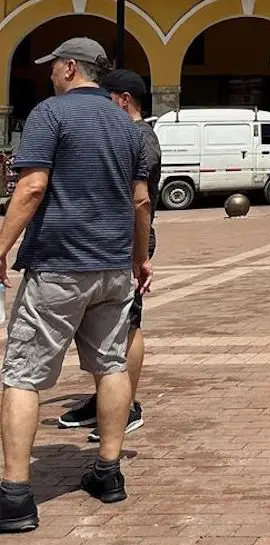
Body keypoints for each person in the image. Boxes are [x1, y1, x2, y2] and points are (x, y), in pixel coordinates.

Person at [0, 38, 152, 534]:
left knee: (23, 373)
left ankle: (16, 495)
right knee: (110, 366)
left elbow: (32, 186)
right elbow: (140, 200)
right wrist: (138, 259)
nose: (49, 76)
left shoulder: (50, 114)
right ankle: (109, 473)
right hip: (111, 266)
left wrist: (0, 246)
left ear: (69, 67)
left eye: (53, 68)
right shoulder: (126, 124)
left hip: (59, 264)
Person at [57, 70, 160, 440]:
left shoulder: (140, 137)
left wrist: (139, 250)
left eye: (107, 98)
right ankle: (106, 398)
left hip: (131, 239)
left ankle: (126, 407)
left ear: (123, 100)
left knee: (127, 326)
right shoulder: (131, 134)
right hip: (112, 239)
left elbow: (141, 199)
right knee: (106, 329)